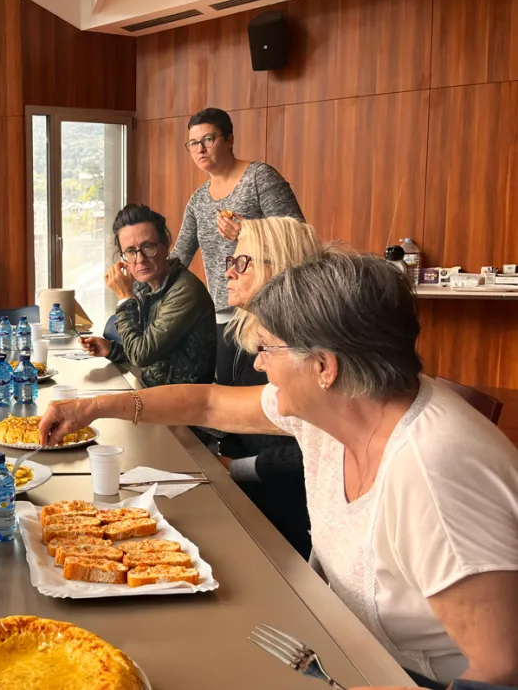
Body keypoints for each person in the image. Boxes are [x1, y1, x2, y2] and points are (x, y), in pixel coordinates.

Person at [40, 249, 518, 687]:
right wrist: (93, 407)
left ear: (324, 367)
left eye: (267, 347)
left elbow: (499, 670)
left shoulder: (433, 469)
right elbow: (207, 403)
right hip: (337, 647)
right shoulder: (342, 404)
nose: (258, 363)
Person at [216, 217, 321, 559]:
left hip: (284, 504)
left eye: (241, 262)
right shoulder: (242, 328)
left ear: (279, 267)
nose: (229, 273)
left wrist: (236, 468)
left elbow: (314, 446)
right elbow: (215, 402)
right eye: (230, 262)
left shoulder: (304, 349)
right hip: (242, 477)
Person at [172, 107, 304, 345]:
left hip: (267, 312)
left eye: (208, 140)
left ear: (230, 139)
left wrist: (247, 233)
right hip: (222, 312)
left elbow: (298, 235)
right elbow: (180, 256)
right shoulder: (198, 199)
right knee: (226, 381)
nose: (199, 149)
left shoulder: (259, 177)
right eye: (192, 143)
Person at [79, 204, 216, 388]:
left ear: (166, 244)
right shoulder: (145, 285)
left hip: (182, 405)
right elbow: (148, 349)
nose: (140, 259)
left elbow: (141, 356)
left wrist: (125, 298)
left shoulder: (184, 291)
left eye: (148, 247)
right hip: (152, 391)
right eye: (130, 252)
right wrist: (111, 349)